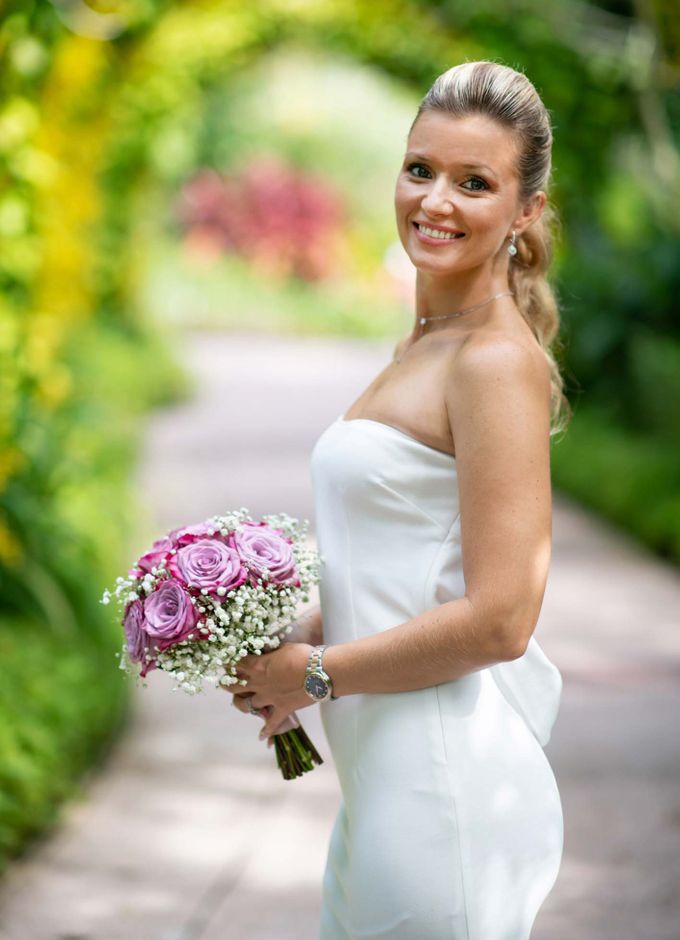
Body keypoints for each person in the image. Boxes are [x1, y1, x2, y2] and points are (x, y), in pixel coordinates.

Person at [224, 59, 571, 939]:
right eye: (420, 169)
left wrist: (313, 675)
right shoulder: (427, 344)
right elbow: (410, 566)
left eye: (475, 182)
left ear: (525, 212)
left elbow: (501, 621)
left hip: (443, 790)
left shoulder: (492, 362)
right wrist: (297, 635)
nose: (435, 202)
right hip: (385, 786)